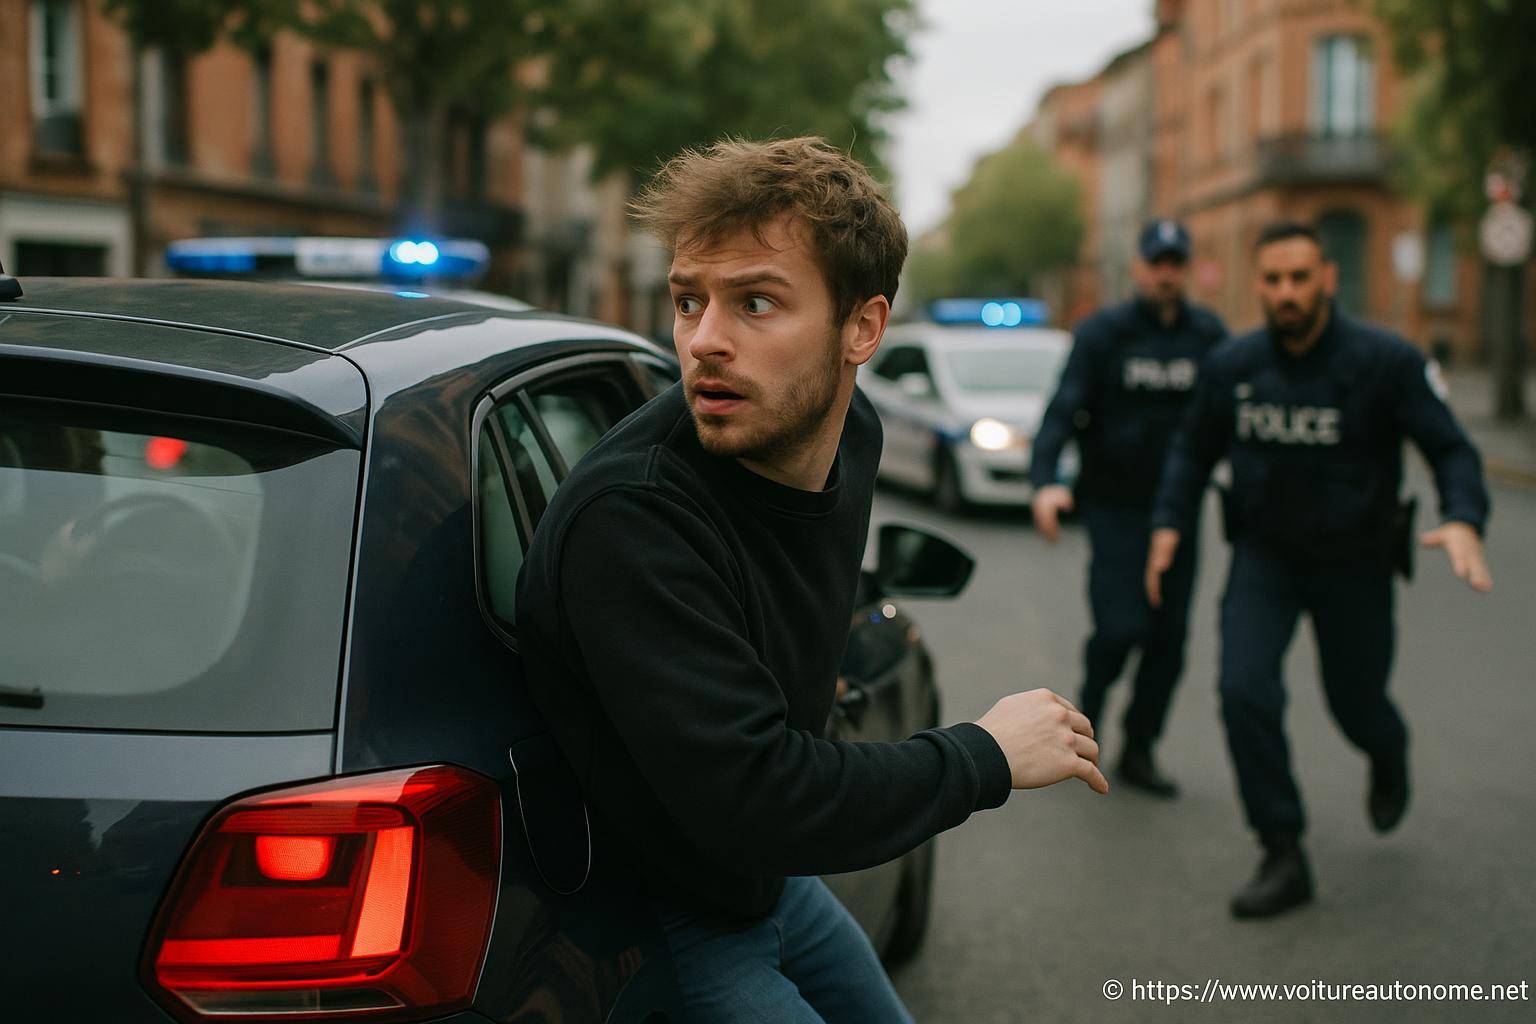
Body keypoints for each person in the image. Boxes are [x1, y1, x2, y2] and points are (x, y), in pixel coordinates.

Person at [515, 137, 1108, 1024]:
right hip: (665, 900)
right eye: (688, 301)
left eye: (755, 301)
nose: (704, 341)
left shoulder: (850, 435)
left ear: (861, 330)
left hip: (763, 877)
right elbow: (756, 797)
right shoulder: (633, 522)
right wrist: (982, 755)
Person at [1146, 220, 1493, 919]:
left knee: (1354, 702)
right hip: (1264, 557)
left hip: (1355, 564)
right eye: (1272, 280)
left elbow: (1451, 450)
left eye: (1300, 278)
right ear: (1259, 284)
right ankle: (1281, 848)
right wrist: (1167, 525)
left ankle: (1385, 748)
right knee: (1244, 689)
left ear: (1327, 278)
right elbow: (1192, 451)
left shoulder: (1387, 362)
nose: (1286, 293)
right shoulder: (1234, 366)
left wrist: (1463, 517)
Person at [1030, 219, 1228, 797]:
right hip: (1115, 508)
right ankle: (1086, 721)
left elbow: (1231, 417)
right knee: (1120, 628)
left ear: (1185, 269)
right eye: (1156, 263)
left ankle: (1141, 746)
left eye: (1175, 263)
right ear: (1140, 268)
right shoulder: (1103, 334)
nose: (1166, 273)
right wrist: (1045, 480)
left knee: (1169, 642)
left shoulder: (1209, 335)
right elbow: (1062, 410)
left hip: (1181, 514)